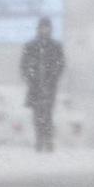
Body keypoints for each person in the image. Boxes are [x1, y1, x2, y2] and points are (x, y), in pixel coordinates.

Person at [20, 15, 67, 153]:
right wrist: (31, 77)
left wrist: (53, 78)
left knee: (48, 113)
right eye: (42, 27)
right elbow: (24, 65)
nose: (44, 30)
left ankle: (48, 139)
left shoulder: (55, 46)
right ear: (39, 28)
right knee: (37, 114)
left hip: (50, 86)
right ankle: (39, 139)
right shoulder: (31, 46)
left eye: (47, 27)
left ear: (50, 29)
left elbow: (60, 65)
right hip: (35, 86)